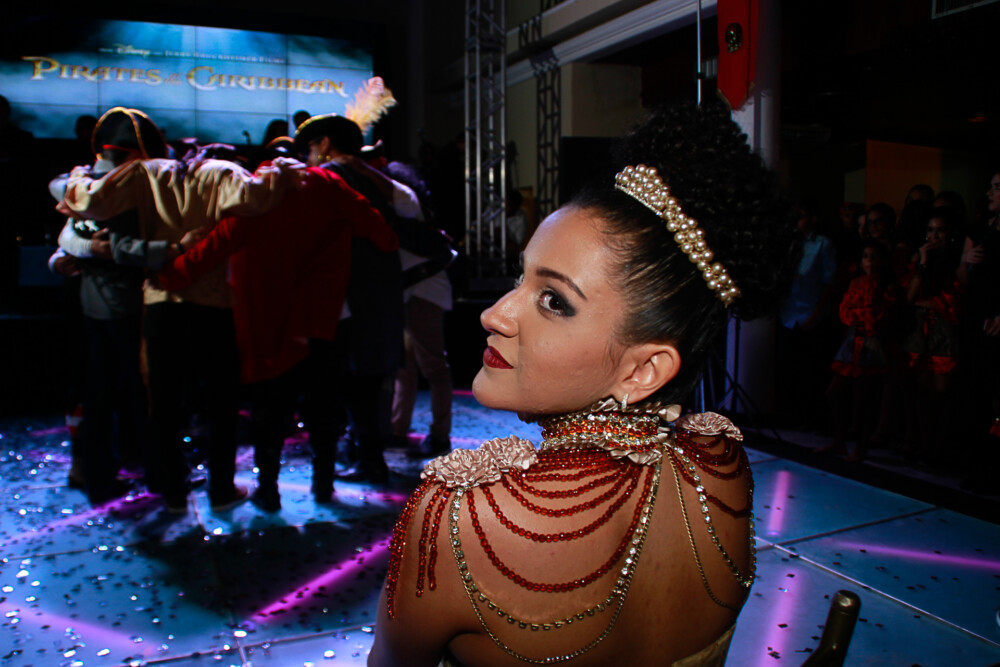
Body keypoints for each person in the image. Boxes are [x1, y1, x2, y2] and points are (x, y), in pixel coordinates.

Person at [369, 101, 795, 666]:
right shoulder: (721, 461)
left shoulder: (458, 519)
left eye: (553, 301)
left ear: (643, 370)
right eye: (521, 277)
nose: (494, 315)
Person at [57, 108, 303, 512]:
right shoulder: (222, 172)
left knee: (164, 403)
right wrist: (282, 169)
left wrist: (76, 178)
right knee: (221, 403)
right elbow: (259, 197)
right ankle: (221, 489)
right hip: (213, 304)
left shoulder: (145, 173)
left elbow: (90, 203)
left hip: (160, 302)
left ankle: (172, 491)